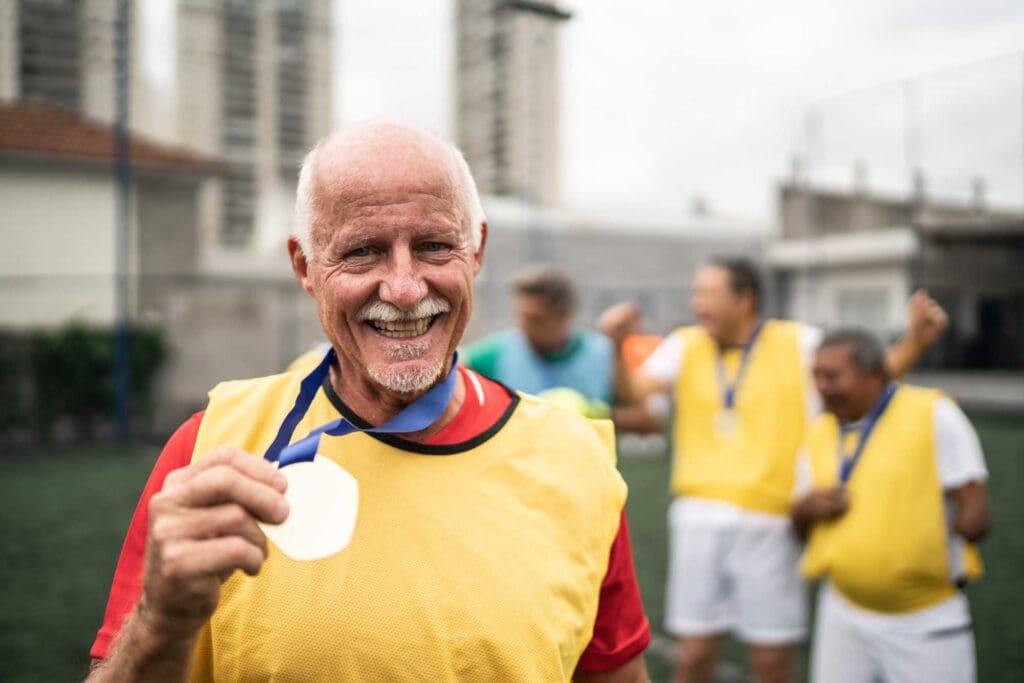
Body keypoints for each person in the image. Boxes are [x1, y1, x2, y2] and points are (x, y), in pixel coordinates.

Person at [87, 121, 650, 682]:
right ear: (305, 266)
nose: (404, 289)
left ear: (475, 248)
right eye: (362, 252)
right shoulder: (210, 448)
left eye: (433, 246)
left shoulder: (578, 459)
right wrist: (159, 622)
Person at [599, 257, 949, 683]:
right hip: (697, 518)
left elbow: (865, 379)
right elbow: (634, 392)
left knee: (772, 664)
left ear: (744, 299)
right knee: (692, 658)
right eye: (696, 293)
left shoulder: (798, 342)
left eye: (707, 293)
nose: (696, 303)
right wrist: (617, 345)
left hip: (772, 523)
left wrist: (914, 341)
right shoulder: (686, 343)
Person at [793, 328, 990, 683]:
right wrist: (807, 507)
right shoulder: (820, 430)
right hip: (842, 612)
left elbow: (975, 511)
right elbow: (797, 524)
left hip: (924, 619)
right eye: (816, 376)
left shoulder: (933, 412)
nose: (820, 386)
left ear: (872, 375)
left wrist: (953, 527)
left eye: (832, 376)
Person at [461, 264, 615, 417]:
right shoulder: (499, 352)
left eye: (535, 319)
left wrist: (597, 415)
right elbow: (456, 366)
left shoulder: (604, 354)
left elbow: (638, 416)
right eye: (521, 316)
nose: (523, 326)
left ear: (564, 316)